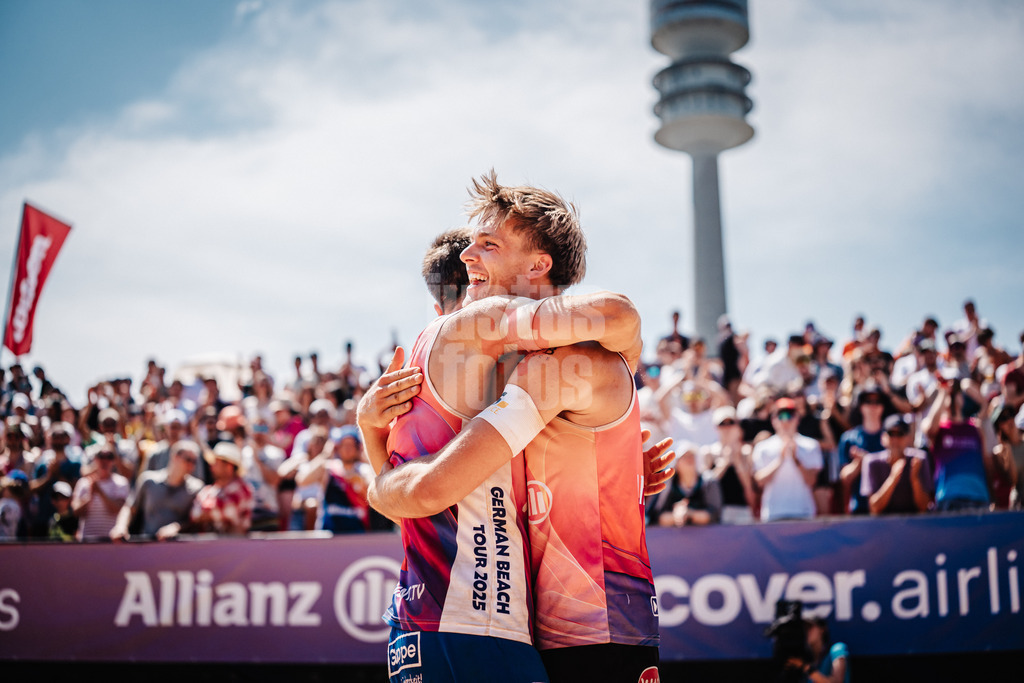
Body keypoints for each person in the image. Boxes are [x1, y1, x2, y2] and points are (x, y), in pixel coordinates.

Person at [360, 175, 662, 682]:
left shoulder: (553, 364)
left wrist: (372, 447)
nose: (468, 255)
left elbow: (619, 315)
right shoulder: (524, 363)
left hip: (590, 629)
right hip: (518, 626)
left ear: (538, 266)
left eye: (488, 244)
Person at [921, 375, 991, 513]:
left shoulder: (975, 427)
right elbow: (929, 429)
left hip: (979, 497)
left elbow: (986, 463)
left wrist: (964, 385)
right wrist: (944, 392)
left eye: (957, 394)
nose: (953, 396)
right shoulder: (939, 428)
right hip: (948, 498)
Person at [110, 440, 204, 541]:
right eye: (188, 459)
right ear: (175, 457)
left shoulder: (196, 488)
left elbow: (196, 521)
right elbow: (130, 507)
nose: (192, 465)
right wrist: (120, 526)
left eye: (194, 461)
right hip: (147, 545)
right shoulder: (148, 481)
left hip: (179, 548)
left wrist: (178, 527)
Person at [752, 398, 823, 522]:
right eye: (780, 415)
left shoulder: (811, 445)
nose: (785, 420)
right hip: (773, 513)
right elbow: (760, 482)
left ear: (797, 418)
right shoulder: (763, 447)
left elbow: (812, 481)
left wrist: (796, 459)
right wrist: (780, 459)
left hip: (803, 512)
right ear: (773, 419)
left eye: (790, 415)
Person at [295, 424, 373, 533]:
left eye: (351, 445)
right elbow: (302, 481)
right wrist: (325, 454)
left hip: (357, 531)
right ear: (337, 447)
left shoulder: (364, 469)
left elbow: (374, 490)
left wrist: (359, 481)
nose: (347, 449)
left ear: (357, 448)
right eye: (344, 445)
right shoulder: (328, 467)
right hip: (329, 531)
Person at [865, 414, 933, 515]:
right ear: (883, 438)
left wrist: (915, 479)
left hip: (914, 526)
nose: (895, 439)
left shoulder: (919, 459)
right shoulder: (872, 462)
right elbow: (874, 509)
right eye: (891, 434)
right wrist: (893, 478)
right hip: (882, 527)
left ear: (909, 438)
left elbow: (923, 507)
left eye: (900, 434)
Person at [836, 384, 887, 516]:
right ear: (861, 406)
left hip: (887, 506)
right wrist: (858, 464)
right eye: (868, 402)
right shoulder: (849, 438)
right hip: (859, 508)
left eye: (877, 402)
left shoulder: (892, 436)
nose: (872, 406)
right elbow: (844, 479)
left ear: (883, 407)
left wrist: (868, 460)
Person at [702, 406, 756, 524]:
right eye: (723, 424)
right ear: (716, 427)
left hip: (741, 510)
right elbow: (707, 487)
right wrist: (725, 462)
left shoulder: (746, 452)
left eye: (731, 423)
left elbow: (749, 488)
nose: (727, 428)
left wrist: (737, 462)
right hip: (716, 511)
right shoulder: (709, 452)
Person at [190, 442, 254, 535]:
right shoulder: (208, 490)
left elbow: (226, 512)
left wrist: (205, 513)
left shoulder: (243, 490)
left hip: (235, 546)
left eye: (216, 462)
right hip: (209, 546)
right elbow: (194, 514)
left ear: (229, 466)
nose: (211, 467)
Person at [647, 447, 721, 526]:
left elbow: (715, 514)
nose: (689, 459)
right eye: (684, 457)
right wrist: (675, 516)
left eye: (692, 456)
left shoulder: (708, 482)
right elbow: (655, 515)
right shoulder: (667, 484)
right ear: (676, 463)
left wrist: (690, 514)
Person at [71, 445, 130, 541]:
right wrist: (90, 496)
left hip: (111, 541)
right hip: (87, 541)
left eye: (109, 457)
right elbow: (76, 512)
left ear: (113, 461)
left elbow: (117, 510)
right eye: (101, 456)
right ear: (95, 460)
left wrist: (99, 492)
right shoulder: (83, 483)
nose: (105, 461)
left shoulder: (121, 483)